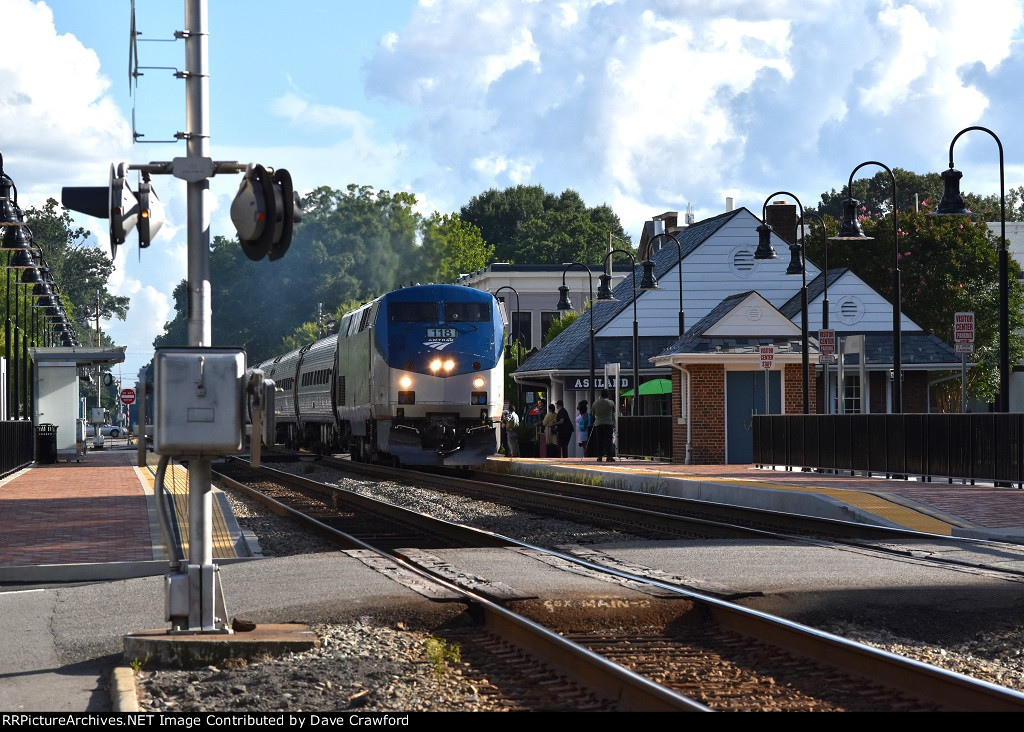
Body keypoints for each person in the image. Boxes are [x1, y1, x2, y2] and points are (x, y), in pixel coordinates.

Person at [590, 389, 616, 462]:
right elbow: (613, 411)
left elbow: (593, 413)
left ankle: (599, 457)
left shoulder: (595, 404)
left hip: (599, 423)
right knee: (608, 440)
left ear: (600, 395)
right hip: (608, 423)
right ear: (608, 395)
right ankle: (609, 456)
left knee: (599, 440)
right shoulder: (611, 402)